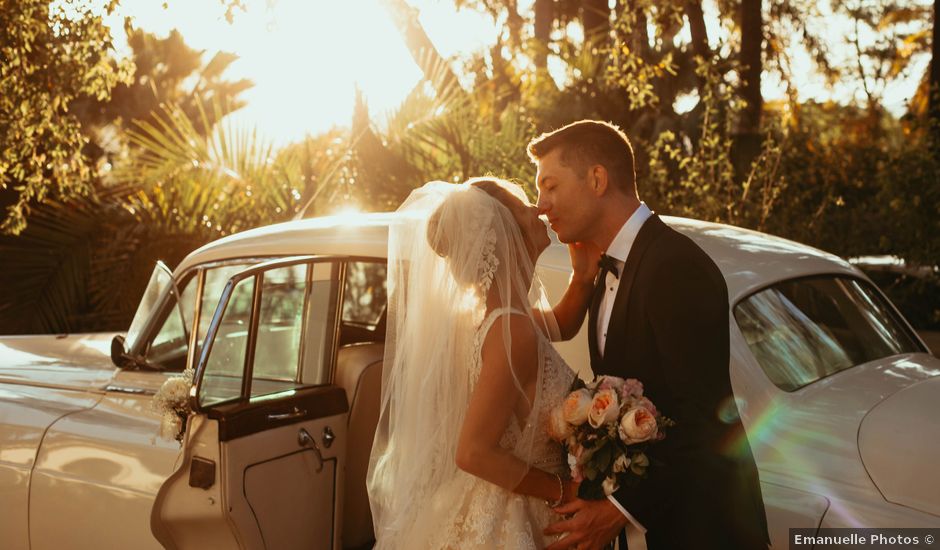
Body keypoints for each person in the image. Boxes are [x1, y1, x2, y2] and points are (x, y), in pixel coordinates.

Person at [532, 120, 769, 550]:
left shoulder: (675, 267)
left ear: (597, 179)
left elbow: (705, 421)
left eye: (550, 186)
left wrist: (618, 511)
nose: (541, 206)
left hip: (702, 529)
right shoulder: (599, 270)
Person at [366, 178, 598, 549]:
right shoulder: (511, 328)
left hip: (486, 502)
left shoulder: (489, 318)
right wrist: (565, 490)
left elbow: (562, 323)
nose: (538, 210)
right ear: (507, 233)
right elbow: (472, 452)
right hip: (513, 516)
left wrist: (583, 277)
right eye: (526, 207)